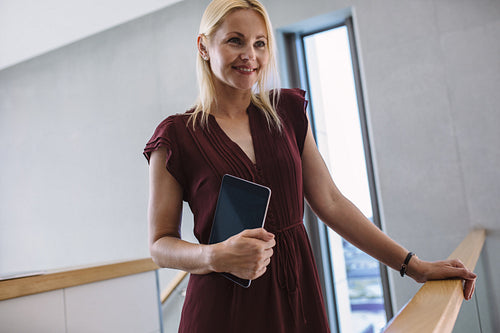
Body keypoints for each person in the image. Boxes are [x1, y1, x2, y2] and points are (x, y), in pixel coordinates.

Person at [143, 0, 477, 332]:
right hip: (223, 309)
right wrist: (215, 255)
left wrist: (414, 266)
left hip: (298, 295)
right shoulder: (176, 135)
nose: (251, 55)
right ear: (203, 46)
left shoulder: (286, 112)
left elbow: (330, 202)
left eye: (260, 43)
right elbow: (160, 245)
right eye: (235, 40)